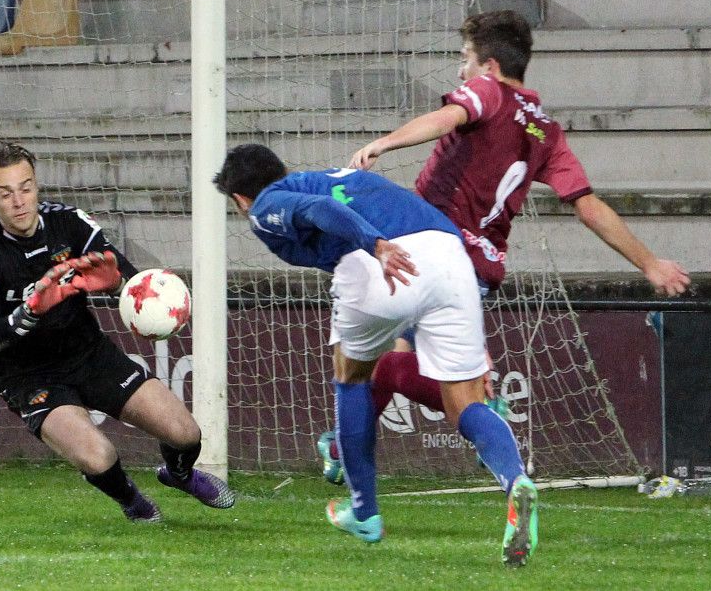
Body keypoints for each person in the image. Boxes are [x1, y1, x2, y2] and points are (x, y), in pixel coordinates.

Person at [317, 9, 692, 484]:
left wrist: (385, 143)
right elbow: (588, 206)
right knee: (397, 350)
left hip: (432, 246)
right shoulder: (546, 130)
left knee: (383, 360)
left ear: (489, 66)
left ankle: (463, 417)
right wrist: (651, 264)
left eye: (465, 59)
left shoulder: (488, 91)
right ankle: (342, 444)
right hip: (479, 267)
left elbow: (447, 115)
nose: (460, 72)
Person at [215, 143, 538, 567]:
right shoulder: (331, 175)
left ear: (240, 199)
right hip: (451, 259)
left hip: (383, 260)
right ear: (285, 167)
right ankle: (516, 481)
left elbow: (318, 211)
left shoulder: (266, 203)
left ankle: (364, 512)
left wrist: (377, 245)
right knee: (464, 403)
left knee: (351, 377)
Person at [0, 141, 234, 523]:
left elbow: (130, 282)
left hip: (89, 355)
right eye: (5, 193)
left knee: (185, 433)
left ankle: (179, 475)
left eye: (26, 188)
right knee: (99, 455)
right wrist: (29, 313)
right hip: (28, 376)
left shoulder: (69, 223)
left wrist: (117, 284)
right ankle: (133, 502)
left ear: (37, 186)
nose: (19, 201)